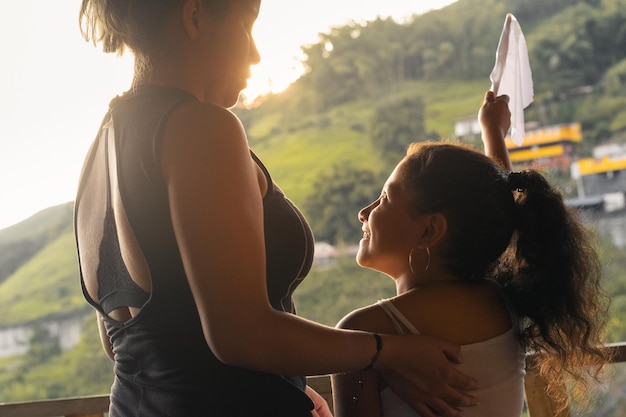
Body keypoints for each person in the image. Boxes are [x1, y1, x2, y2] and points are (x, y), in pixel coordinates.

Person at [73, 1, 480, 416]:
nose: (255, 53)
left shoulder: (100, 152)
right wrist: (386, 351)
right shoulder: (201, 126)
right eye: (247, 26)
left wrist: (288, 384)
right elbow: (241, 336)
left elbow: (130, 340)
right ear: (194, 17)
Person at [331, 91, 611, 417]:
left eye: (384, 198)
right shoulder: (502, 302)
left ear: (429, 231)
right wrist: (493, 135)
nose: (364, 212)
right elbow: (493, 220)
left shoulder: (362, 333)